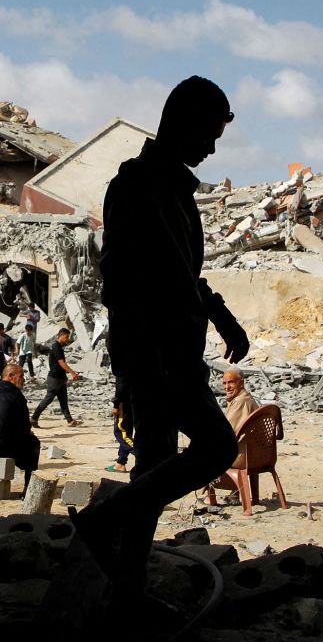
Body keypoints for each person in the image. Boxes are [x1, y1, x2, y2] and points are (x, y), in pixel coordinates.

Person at [73, 76, 246, 598]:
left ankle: (127, 585)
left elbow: (182, 272)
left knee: (153, 464)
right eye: (209, 133)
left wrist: (217, 313)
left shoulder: (171, 187)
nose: (213, 148)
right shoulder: (139, 184)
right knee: (216, 448)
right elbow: (127, 280)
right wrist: (153, 351)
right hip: (158, 351)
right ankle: (104, 520)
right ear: (183, 123)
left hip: (169, 347)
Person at [31, 328, 82, 428]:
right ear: (61, 335)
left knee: (63, 400)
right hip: (54, 379)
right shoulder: (56, 347)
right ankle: (33, 418)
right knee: (48, 399)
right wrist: (72, 373)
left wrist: (64, 376)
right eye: (66, 337)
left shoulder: (59, 347)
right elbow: (61, 363)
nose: (67, 339)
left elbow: (59, 365)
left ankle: (70, 421)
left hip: (60, 378)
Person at [221, 368, 261, 467]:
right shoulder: (246, 398)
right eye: (224, 383)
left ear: (241, 383)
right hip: (255, 453)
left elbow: (227, 432)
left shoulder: (241, 401)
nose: (227, 387)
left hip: (241, 456)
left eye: (231, 383)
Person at [108, 376, 134, 473]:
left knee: (121, 433)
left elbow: (121, 386)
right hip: (133, 401)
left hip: (125, 403)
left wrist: (116, 404)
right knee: (126, 433)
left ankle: (144, 456)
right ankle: (120, 463)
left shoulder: (122, 365)